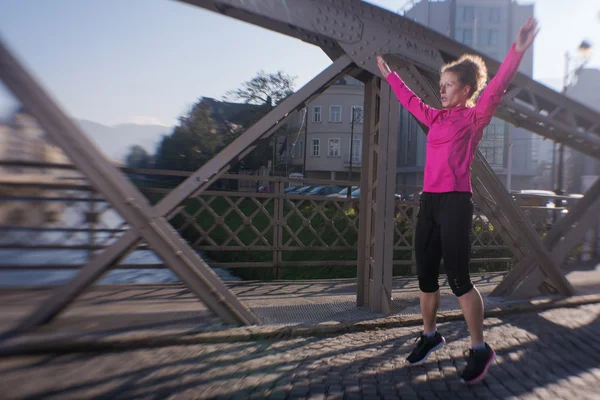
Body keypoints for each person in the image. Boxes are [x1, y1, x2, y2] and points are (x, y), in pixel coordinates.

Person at [376, 17, 538, 385]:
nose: (442, 90)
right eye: (441, 85)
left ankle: (480, 349)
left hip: (456, 203)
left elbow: (496, 88)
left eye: (448, 86)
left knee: (459, 280)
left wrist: (517, 50)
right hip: (429, 202)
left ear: (465, 90)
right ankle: (431, 335)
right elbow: (409, 100)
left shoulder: (474, 117)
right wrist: (390, 75)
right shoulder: (435, 118)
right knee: (426, 277)